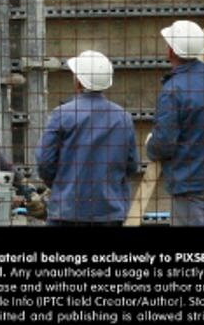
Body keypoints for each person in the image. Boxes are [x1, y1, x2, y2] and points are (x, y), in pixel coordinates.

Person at [146, 19, 204, 226]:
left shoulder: (173, 90)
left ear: (171, 51)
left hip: (191, 182)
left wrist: (150, 146)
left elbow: (164, 143)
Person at [35, 50, 139, 226]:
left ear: (78, 80)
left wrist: (62, 184)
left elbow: (45, 161)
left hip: (67, 211)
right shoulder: (123, 118)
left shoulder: (62, 114)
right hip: (109, 213)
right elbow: (131, 165)